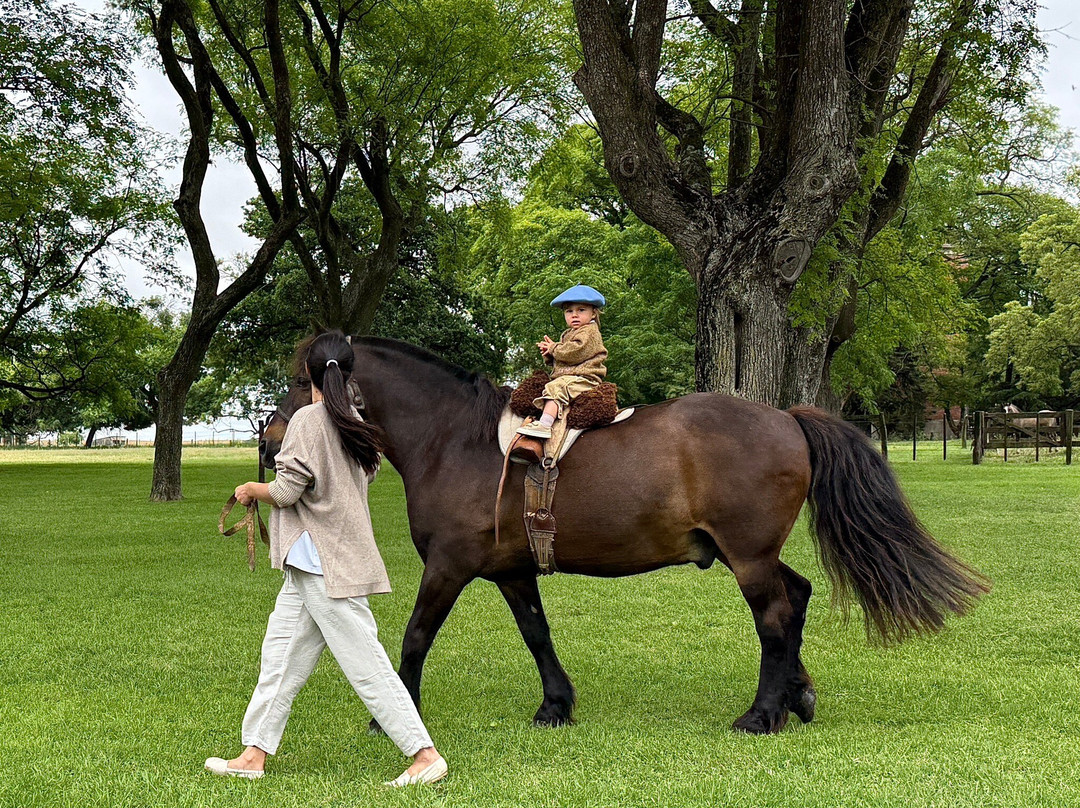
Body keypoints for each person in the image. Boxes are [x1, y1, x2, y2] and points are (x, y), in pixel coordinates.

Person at [204, 330, 447, 787]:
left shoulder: (308, 421)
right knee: (280, 657)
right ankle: (253, 754)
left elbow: (287, 490)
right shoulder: (354, 421)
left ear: (309, 375)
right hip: (313, 561)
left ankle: (424, 754)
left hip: (322, 562)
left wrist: (252, 490)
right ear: (347, 372)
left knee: (364, 661)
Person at [516, 284, 608, 441]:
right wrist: (549, 354)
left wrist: (554, 348)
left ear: (593, 313)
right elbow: (565, 359)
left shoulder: (590, 331)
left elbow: (575, 352)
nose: (574, 315)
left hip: (584, 378)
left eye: (581, 310)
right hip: (572, 376)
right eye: (569, 311)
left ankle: (545, 425)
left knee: (556, 387)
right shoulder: (569, 333)